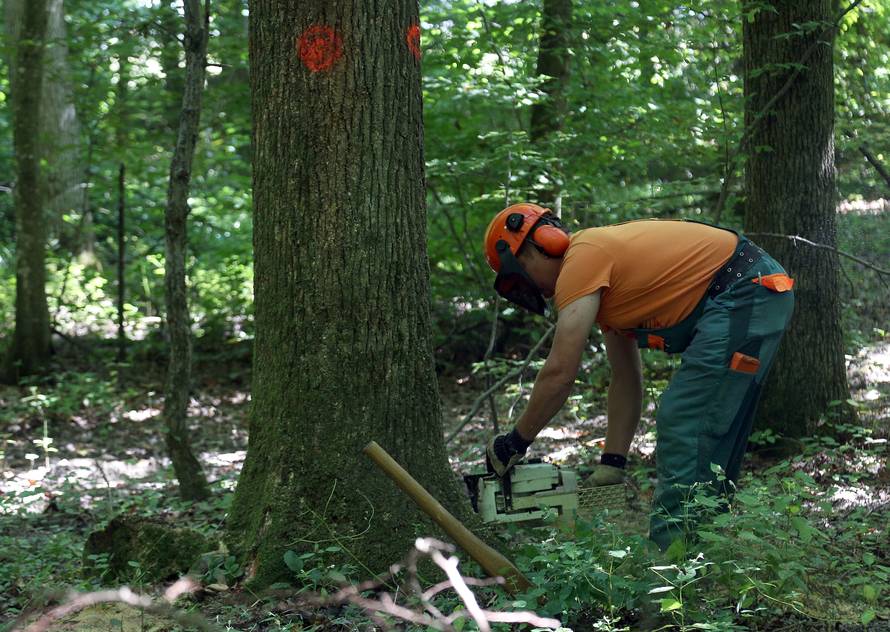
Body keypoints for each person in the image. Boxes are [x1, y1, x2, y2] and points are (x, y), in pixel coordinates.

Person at [482, 202, 795, 550]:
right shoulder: (599, 275)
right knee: (710, 430)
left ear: (541, 245)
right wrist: (612, 463)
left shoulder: (582, 259)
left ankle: (671, 564)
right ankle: (705, 552)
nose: (532, 290)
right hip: (751, 292)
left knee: (685, 420)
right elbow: (625, 378)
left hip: (743, 291)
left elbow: (559, 372)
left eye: (519, 275)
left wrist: (515, 442)